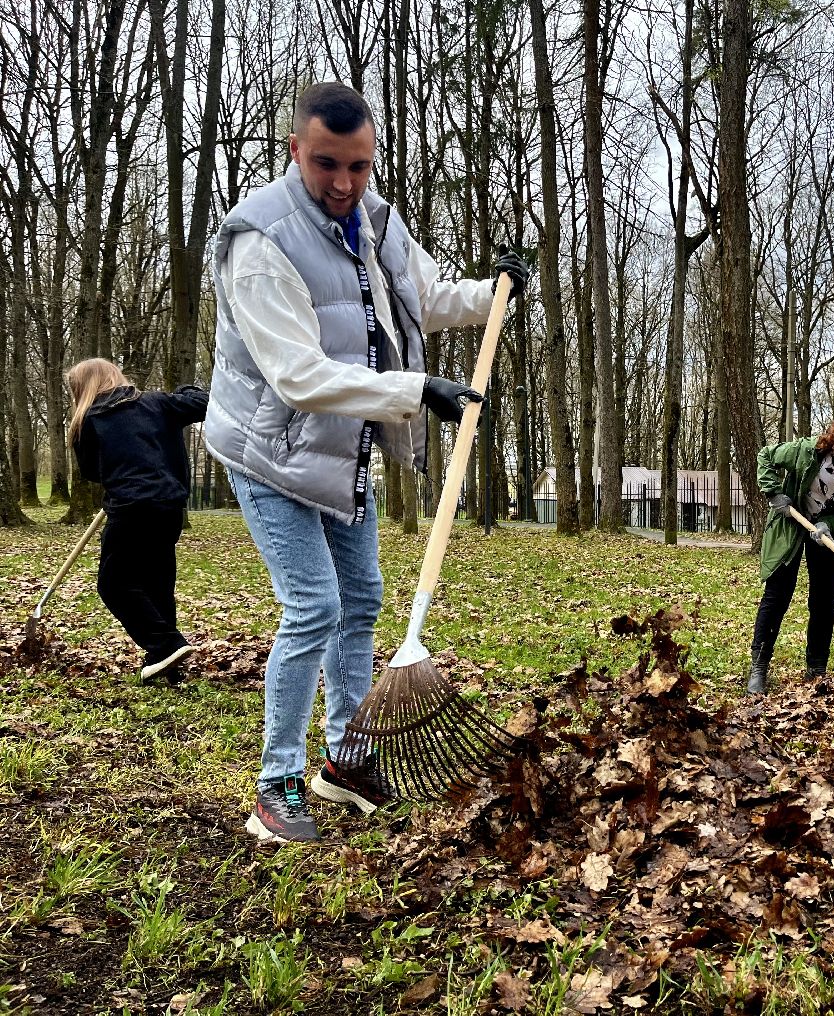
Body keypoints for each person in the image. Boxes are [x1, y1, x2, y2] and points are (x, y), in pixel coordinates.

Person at [206, 82, 530, 843]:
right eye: (327, 165)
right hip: (269, 452)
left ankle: (346, 759)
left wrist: (498, 293)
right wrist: (416, 391)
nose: (345, 184)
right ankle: (276, 784)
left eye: (359, 166)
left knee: (362, 600)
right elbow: (299, 376)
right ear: (296, 151)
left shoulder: (377, 220)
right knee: (313, 606)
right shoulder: (259, 243)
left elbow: (426, 297)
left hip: (341, 452)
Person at [67, 358, 209, 684]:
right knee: (157, 583)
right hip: (169, 507)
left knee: (114, 584)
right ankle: (165, 664)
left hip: (130, 507)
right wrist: (183, 391)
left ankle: (167, 644)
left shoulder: (88, 420)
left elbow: (91, 472)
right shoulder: (158, 403)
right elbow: (203, 403)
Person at [747, 409, 834, 694]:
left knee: (824, 602)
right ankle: (759, 668)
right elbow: (766, 456)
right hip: (791, 524)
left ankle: (816, 670)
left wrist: (829, 523)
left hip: (828, 534)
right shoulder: (808, 451)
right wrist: (775, 493)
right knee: (777, 595)